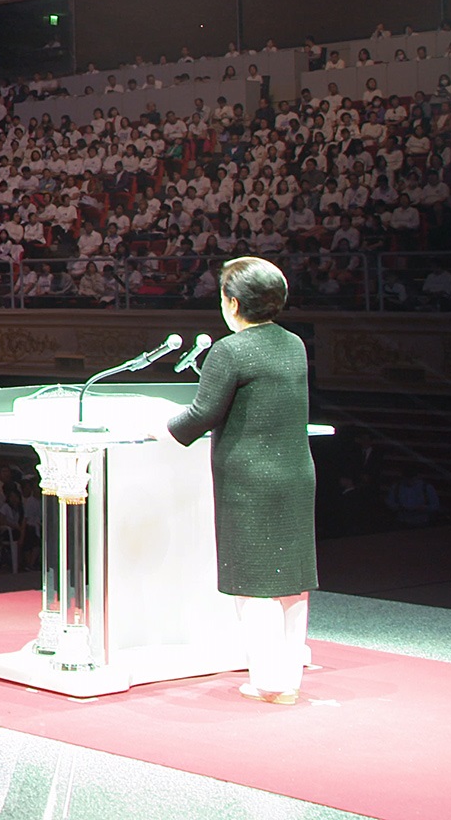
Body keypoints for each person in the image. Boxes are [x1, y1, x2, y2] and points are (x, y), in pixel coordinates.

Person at [161, 256, 317, 706]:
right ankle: (286, 678)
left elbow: (201, 415)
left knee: (253, 581)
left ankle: (268, 682)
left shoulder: (231, 350)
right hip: (295, 473)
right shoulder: (294, 344)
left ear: (232, 303)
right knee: (290, 579)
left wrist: (163, 428)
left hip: (250, 479)